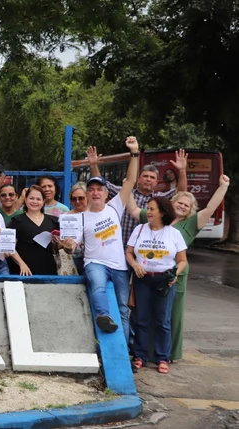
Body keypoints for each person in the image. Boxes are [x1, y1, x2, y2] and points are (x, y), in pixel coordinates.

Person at [126, 174, 230, 362]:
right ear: (170, 204)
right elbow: (132, 208)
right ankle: (144, 353)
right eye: (179, 203)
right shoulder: (152, 216)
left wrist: (223, 187)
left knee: (169, 316)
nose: (182, 206)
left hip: (174, 275)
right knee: (144, 315)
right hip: (146, 275)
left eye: (186, 205)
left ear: (190, 210)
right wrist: (129, 181)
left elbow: (211, 208)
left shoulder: (191, 223)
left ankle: (168, 354)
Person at [81, 137, 139, 339]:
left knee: (123, 309)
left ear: (106, 194)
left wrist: (134, 153)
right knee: (97, 286)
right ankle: (103, 316)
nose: (95, 193)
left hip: (119, 266)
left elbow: (131, 181)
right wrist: (68, 245)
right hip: (95, 262)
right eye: (91, 190)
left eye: (99, 189)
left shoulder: (115, 206)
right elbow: (73, 246)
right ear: (87, 194)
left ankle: (124, 353)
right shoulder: (81, 217)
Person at [126, 197, 188, 374]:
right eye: (148, 208)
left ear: (162, 212)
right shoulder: (139, 229)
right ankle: (140, 356)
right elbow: (129, 252)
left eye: (152, 209)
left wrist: (175, 274)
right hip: (142, 279)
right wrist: (136, 265)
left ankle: (162, 358)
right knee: (141, 318)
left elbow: (182, 260)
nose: (149, 212)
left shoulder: (173, 233)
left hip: (164, 281)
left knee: (162, 320)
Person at [87, 146, 188, 243]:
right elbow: (102, 185)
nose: (148, 179)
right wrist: (93, 165)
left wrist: (182, 171)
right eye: (145, 176)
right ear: (138, 179)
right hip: (121, 247)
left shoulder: (160, 199)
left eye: (152, 177)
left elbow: (181, 193)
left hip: (145, 250)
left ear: (156, 182)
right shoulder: (124, 193)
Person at [7, 185, 65, 275]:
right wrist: (22, 264)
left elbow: (58, 247)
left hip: (48, 268)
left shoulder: (54, 221)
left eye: (38, 199)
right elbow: (9, 247)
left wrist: (57, 243)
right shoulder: (16, 221)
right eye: (31, 198)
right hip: (23, 271)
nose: (35, 202)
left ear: (43, 201)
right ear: (25, 200)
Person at [66, 182, 88, 274]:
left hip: (92, 259)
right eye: (73, 199)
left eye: (81, 198)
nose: (77, 201)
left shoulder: (95, 215)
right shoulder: (65, 217)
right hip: (72, 259)